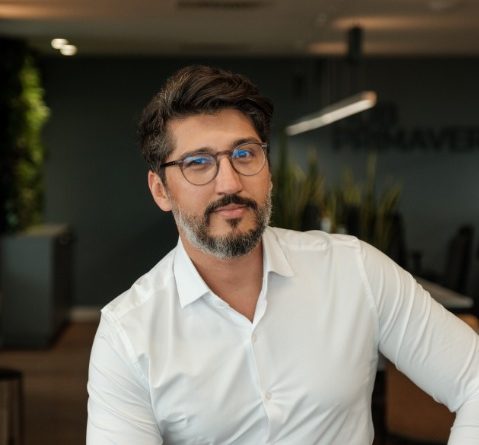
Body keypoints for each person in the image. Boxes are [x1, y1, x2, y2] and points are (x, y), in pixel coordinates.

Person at [87, 65, 479, 444]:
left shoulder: (354, 269)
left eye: (245, 154)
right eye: (199, 163)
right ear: (160, 190)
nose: (229, 183)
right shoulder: (128, 334)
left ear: (269, 169)